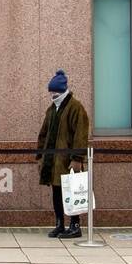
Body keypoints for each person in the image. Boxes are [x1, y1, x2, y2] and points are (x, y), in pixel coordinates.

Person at [36, 69, 90, 239]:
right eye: (50, 91)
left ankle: (75, 225)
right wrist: (40, 156)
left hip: (67, 160)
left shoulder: (76, 108)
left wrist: (77, 158)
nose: (52, 94)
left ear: (61, 90)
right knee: (57, 193)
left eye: (54, 91)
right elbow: (43, 134)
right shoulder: (52, 109)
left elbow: (80, 134)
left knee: (72, 192)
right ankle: (59, 223)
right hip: (53, 160)